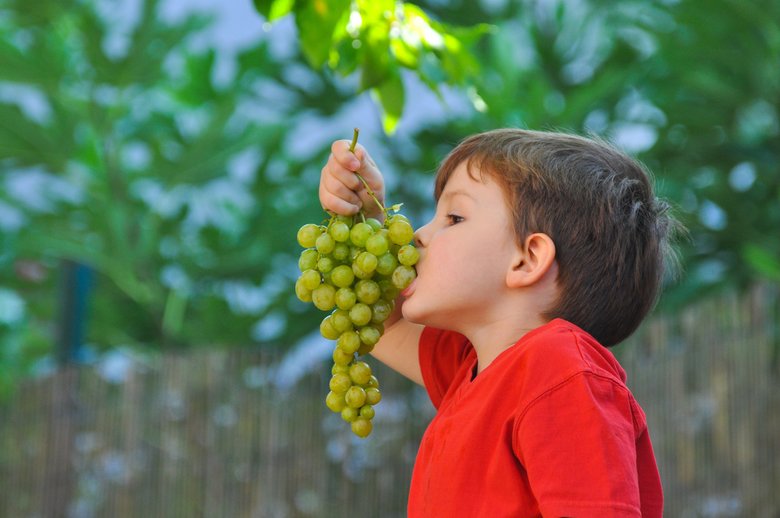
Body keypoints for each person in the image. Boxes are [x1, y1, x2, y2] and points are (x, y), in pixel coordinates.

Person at [319, 128, 678, 517]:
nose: (419, 235)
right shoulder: (472, 373)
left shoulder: (557, 369)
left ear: (527, 259)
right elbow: (378, 324)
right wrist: (367, 221)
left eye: (454, 217)